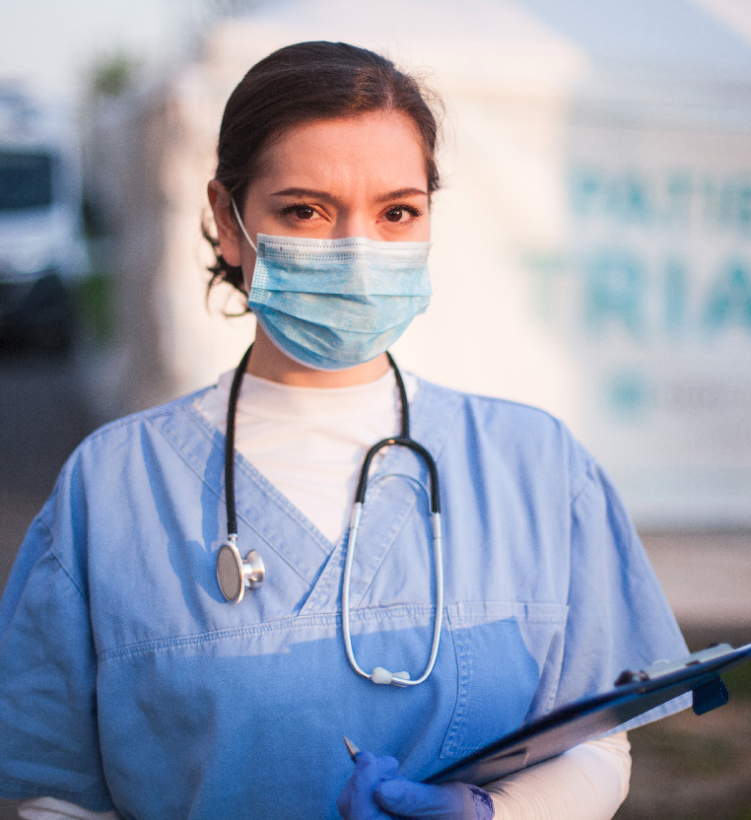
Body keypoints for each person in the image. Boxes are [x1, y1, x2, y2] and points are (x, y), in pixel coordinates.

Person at [0, 42, 689, 820]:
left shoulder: (537, 465)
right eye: (305, 210)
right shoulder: (115, 486)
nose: (358, 253)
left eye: (397, 213)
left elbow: (595, 741)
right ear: (228, 223)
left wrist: (491, 817)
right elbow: (59, 797)